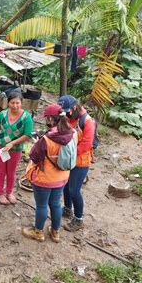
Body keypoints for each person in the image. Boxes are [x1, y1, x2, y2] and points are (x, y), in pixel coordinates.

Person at [22, 104, 76, 242]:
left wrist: (36, 144)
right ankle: (55, 232)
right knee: (56, 203)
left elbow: (34, 156)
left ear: (51, 119)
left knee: (41, 205)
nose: (46, 121)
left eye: (46, 118)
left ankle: (38, 232)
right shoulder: (73, 133)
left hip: (45, 179)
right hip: (62, 177)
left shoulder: (47, 139)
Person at [0, 92, 33, 204]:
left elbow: (28, 135)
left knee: (11, 172)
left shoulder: (26, 117)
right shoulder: (3, 114)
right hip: (1, 148)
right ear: (8, 103)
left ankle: (9, 192)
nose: (15, 105)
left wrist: (13, 143)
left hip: (15, 150)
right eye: (12, 103)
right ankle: (0, 193)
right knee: (1, 171)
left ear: (21, 103)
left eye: (17, 103)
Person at [58, 95, 94, 231]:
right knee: (66, 187)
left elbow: (86, 144)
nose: (66, 114)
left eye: (67, 111)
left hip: (81, 161)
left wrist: (69, 153)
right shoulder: (69, 117)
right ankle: (67, 209)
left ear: (74, 107)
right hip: (69, 159)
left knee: (74, 190)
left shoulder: (87, 121)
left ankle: (79, 219)